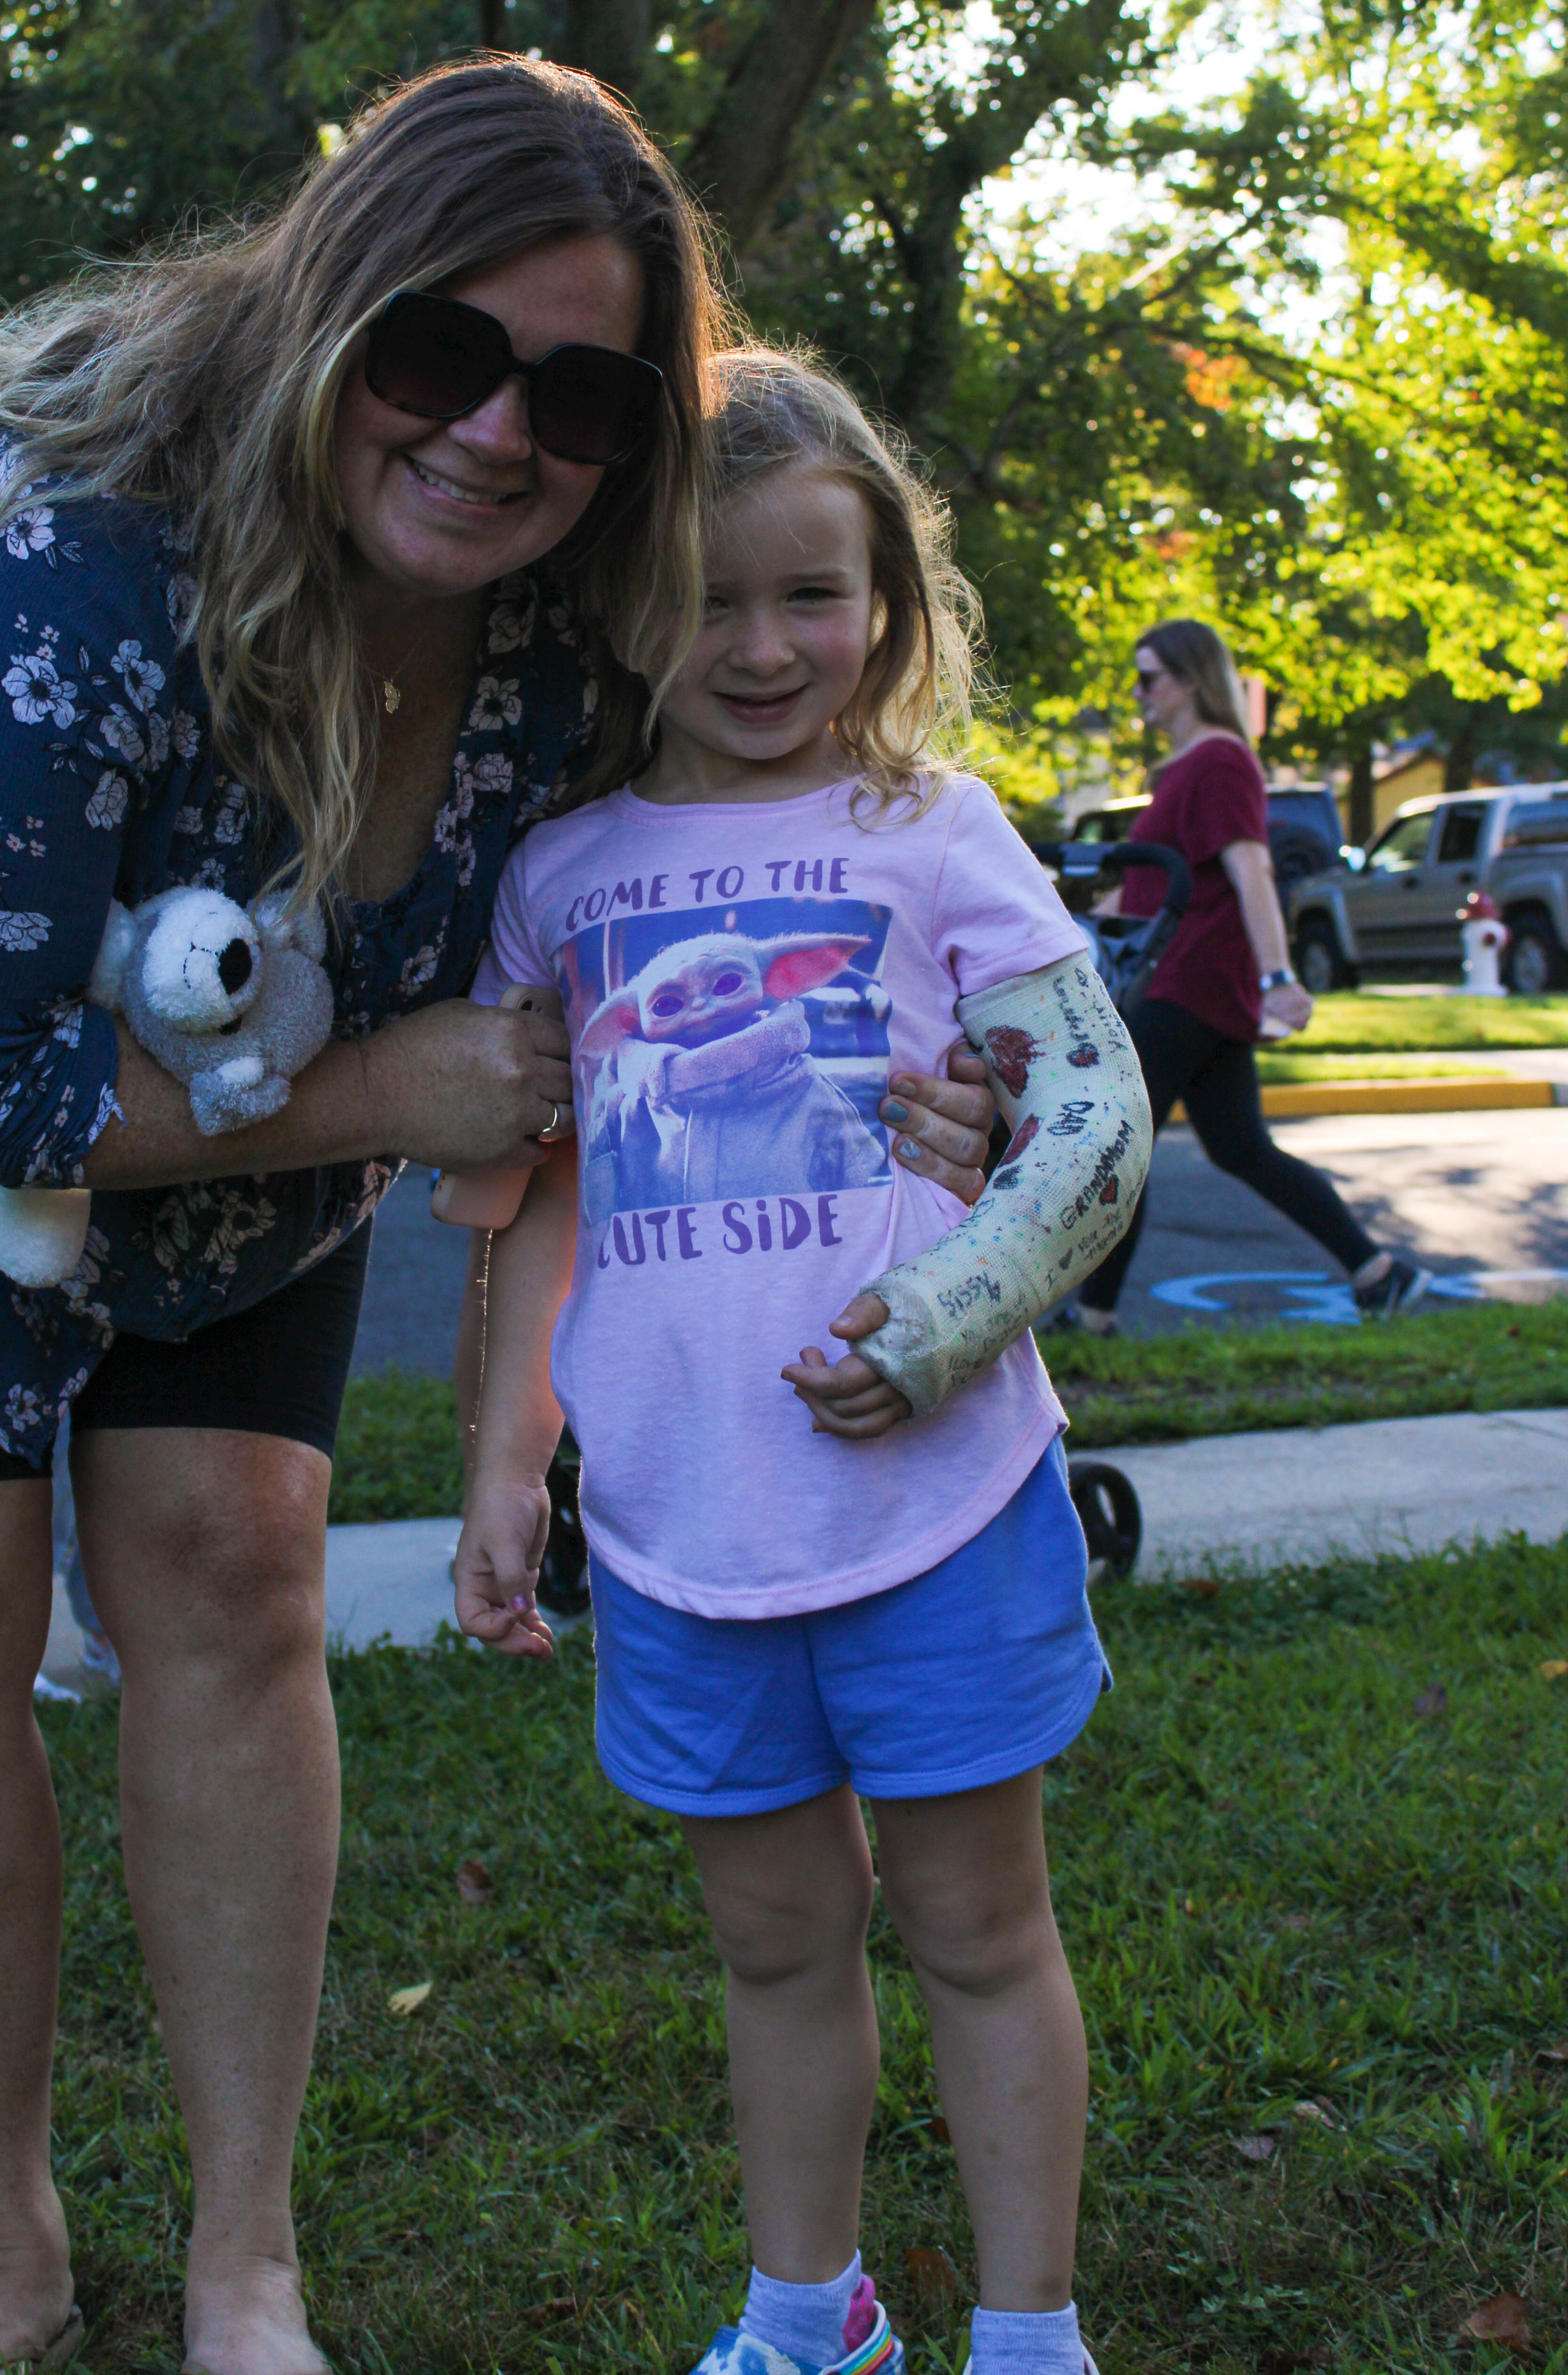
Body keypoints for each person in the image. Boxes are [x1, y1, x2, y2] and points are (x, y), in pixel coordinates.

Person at [0, 63, 1000, 2375]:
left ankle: (242, 2262)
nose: (498, 432)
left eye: (581, 392)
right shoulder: (58, 539)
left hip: (237, 1124)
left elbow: (732, 900)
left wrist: (956, 1078)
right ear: (328, 302)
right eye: (436, 348)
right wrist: (380, 1085)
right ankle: (4, 2244)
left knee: (226, 1566)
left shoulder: (588, 607)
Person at [456, 349, 1136, 2375]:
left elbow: (1085, 1127)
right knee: (770, 1945)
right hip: (682, 1528)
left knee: (978, 1932)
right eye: (702, 597)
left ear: (886, 604)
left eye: (810, 595)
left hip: (942, 1507)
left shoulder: (936, 832)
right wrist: (507, 1460)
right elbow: (530, 1195)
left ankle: (1029, 2335)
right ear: (606, 607)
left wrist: (942, 1329)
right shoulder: (558, 876)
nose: (761, 647)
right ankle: (808, 2314)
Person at [1060, 619, 1424, 1333]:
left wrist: (1280, 974)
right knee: (1242, 1149)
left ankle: (1096, 1318)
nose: (1139, 694)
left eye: (1149, 678)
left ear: (1190, 682)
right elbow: (1140, 893)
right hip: (1194, 989)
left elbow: (1251, 868)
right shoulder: (1188, 767)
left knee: (1121, 1147)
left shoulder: (1220, 761)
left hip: (1186, 986)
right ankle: (1380, 1274)